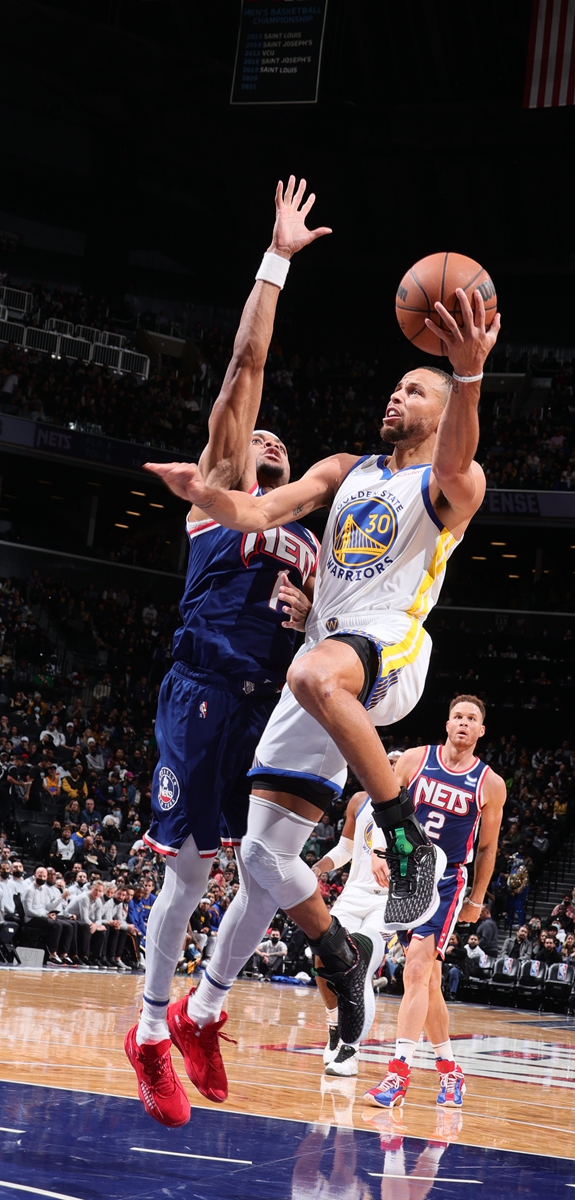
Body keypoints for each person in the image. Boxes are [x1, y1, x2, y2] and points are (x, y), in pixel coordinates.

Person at [147, 217, 502, 947]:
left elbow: (461, 459)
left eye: (413, 390)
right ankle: (336, 979)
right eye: (396, 387)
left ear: (442, 414)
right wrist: (205, 495)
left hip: (388, 643)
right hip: (325, 659)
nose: (395, 397)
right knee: (262, 855)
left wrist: (466, 375)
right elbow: (259, 508)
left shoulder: (450, 487)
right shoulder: (346, 470)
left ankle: (406, 843)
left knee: (312, 672)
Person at [124, 178, 323, 1129]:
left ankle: (206, 1012)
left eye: (285, 443)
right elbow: (247, 364)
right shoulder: (218, 490)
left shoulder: (317, 548)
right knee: (188, 875)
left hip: (268, 708)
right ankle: (151, 1031)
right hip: (203, 689)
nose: (269, 439)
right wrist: (275, 260)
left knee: (264, 872)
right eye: (260, 436)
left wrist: (315, 611)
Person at [364, 695, 506, 1110]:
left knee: (416, 970)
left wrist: (477, 899)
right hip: (409, 874)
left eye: (472, 719)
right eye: (458, 716)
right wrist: (377, 851)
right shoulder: (413, 759)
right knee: (426, 983)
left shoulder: (490, 783)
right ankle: (450, 1070)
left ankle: (398, 1075)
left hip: (447, 880)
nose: (463, 723)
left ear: (481, 731)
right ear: (447, 723)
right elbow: (382, 809)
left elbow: (487, 847)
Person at [311, 754, 398, 1077]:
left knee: (356, 963)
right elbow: (346, 849)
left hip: (387, 900)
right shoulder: (359, 801)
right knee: (322, 956)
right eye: (385, 761)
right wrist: (319, 867)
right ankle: (335, 1026)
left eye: (395, 765)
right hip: (353, 894)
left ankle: (351, 1049)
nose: (388, 767)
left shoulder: (410, 806)